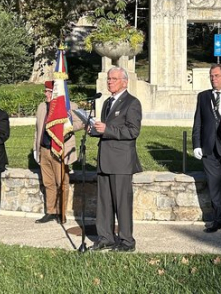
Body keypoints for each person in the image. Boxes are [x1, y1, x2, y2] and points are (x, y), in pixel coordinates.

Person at [90, 67, 143, 252]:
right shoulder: (106, 102)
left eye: (114, 79)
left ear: (125, 82)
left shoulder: (132, 103)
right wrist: (95, 130)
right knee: (104, 203)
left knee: (122, 203)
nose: (109, 81)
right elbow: (107, 128)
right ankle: (106, 238)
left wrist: (107, 130)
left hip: (121, 162)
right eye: (108, 78)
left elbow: (133, 131)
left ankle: (127, 241)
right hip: (105, 159)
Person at [192, 64, 221, 234]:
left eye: (217, 76)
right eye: (211, 76)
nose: (214, 79)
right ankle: (217, 220)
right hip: (209, 149)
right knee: (214, 188)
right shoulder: (203, 97)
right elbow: (198, 122)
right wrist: (196, 144)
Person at [33, 81, 82, 223]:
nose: (46, 94)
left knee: (62, 182)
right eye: (45, 91)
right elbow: (37, 129)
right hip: (44, 149)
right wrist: (36, 149)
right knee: (48, 182)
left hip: (59, 150)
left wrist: (67, 126)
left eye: (49, 91)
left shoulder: (69, 106)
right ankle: (50, 211)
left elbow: (81, 123)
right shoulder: (42, 107)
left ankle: (61, 212)